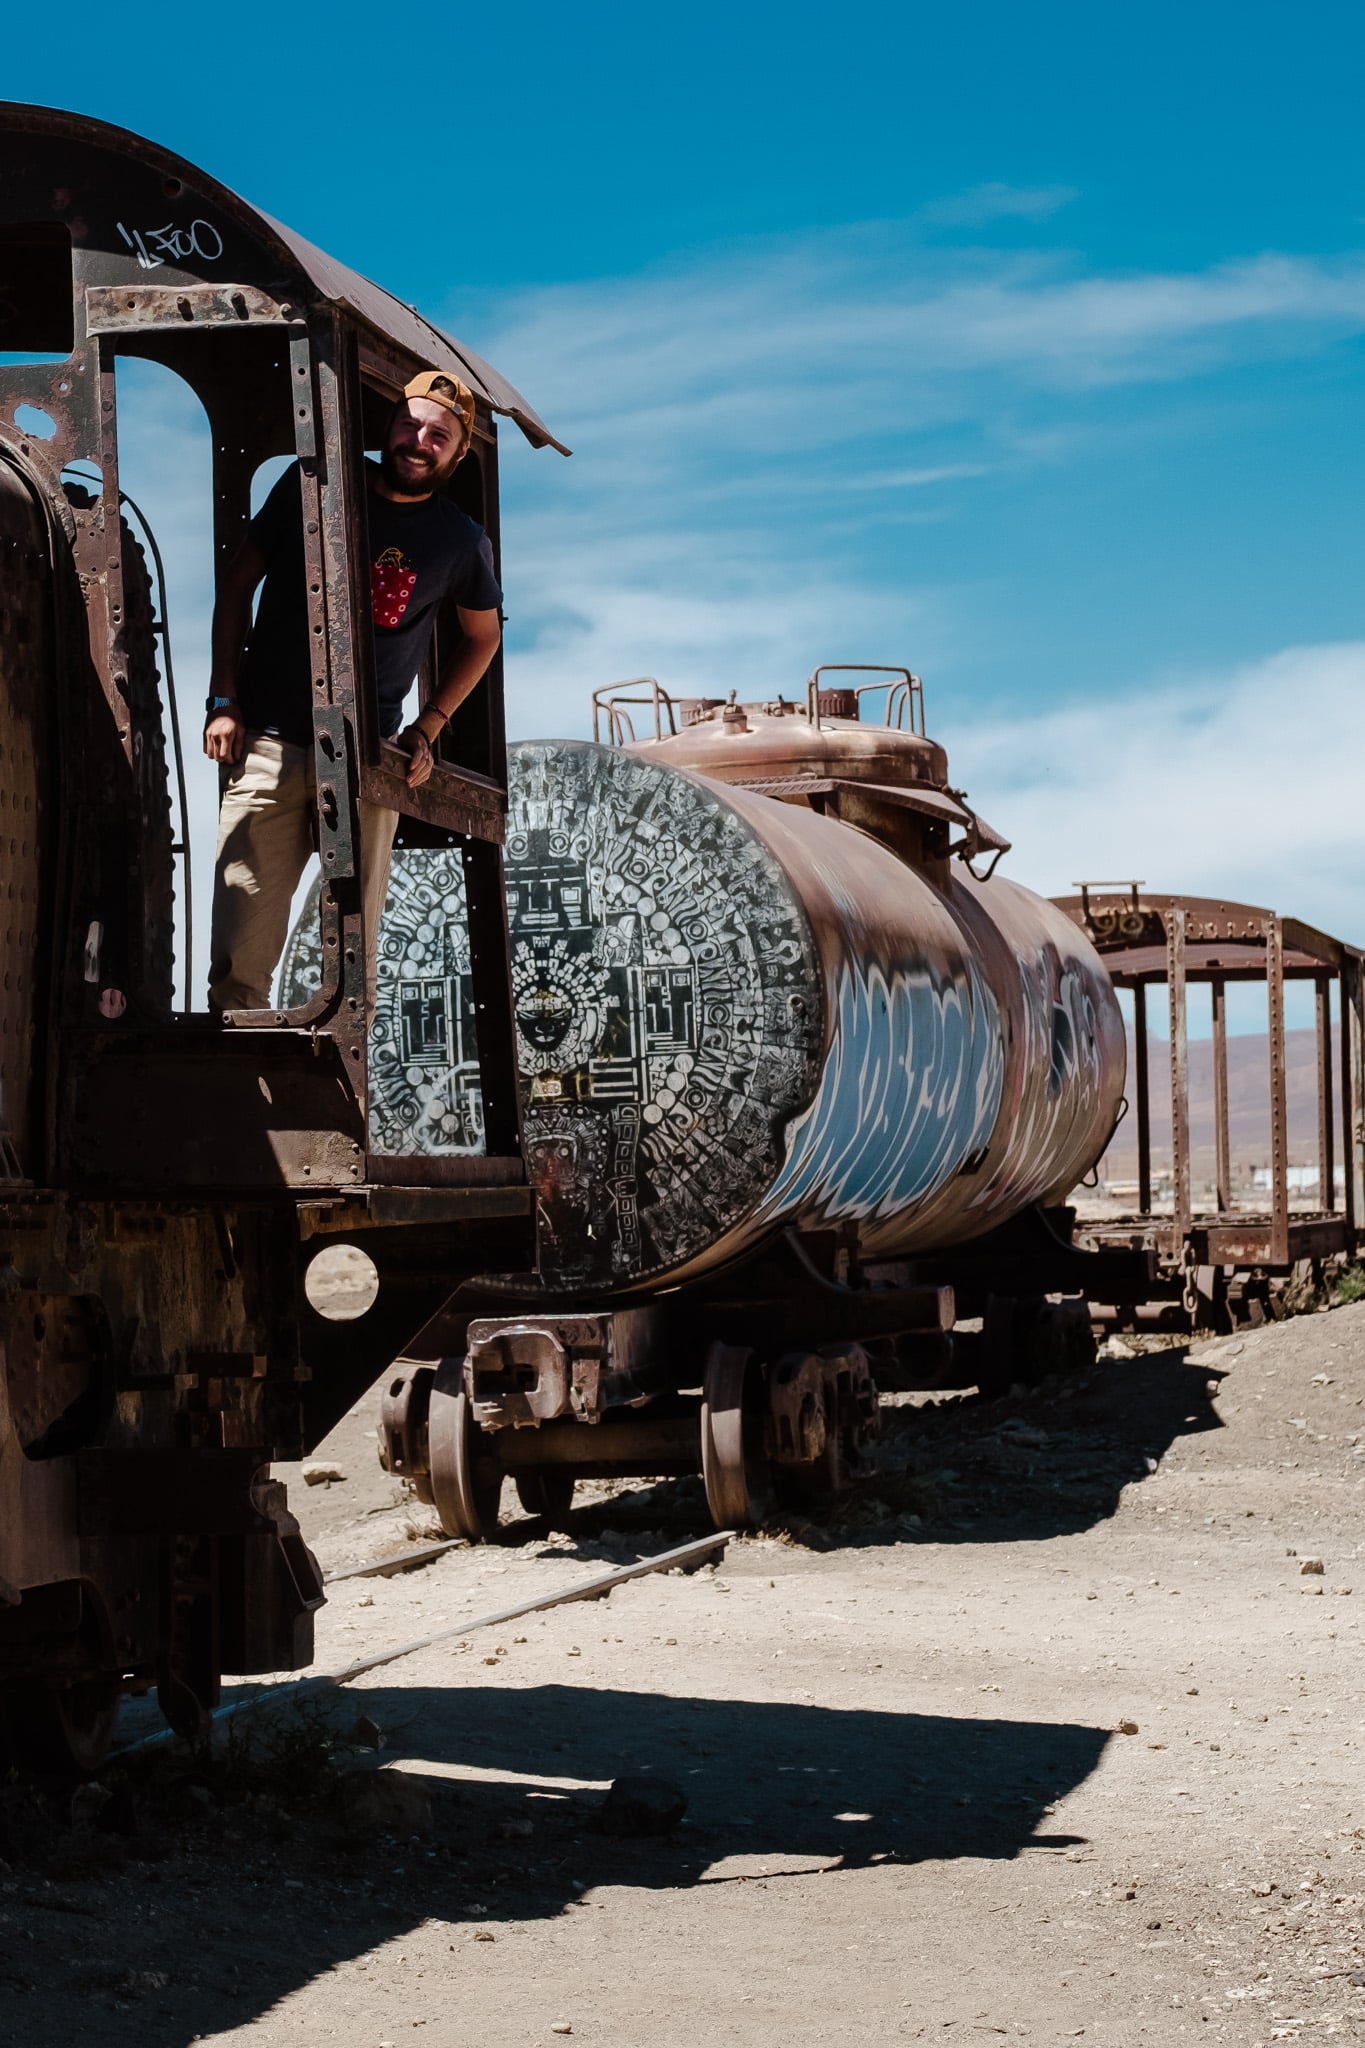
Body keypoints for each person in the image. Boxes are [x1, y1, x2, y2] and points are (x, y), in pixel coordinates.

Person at [203, 368, 503, 1014]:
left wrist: (429, 725)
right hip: (268, 746)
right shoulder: (313, 487)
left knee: (352, 957)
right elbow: (237, 585)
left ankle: (337, 1097)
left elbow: (482, 637)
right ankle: (239, 1098)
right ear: (389, 426)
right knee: (239, 952)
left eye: (437, 436)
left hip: (369, 760)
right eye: (409, 424)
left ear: (454, 453)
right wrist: (223, 699)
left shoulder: (458, 540)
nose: (417, 441)